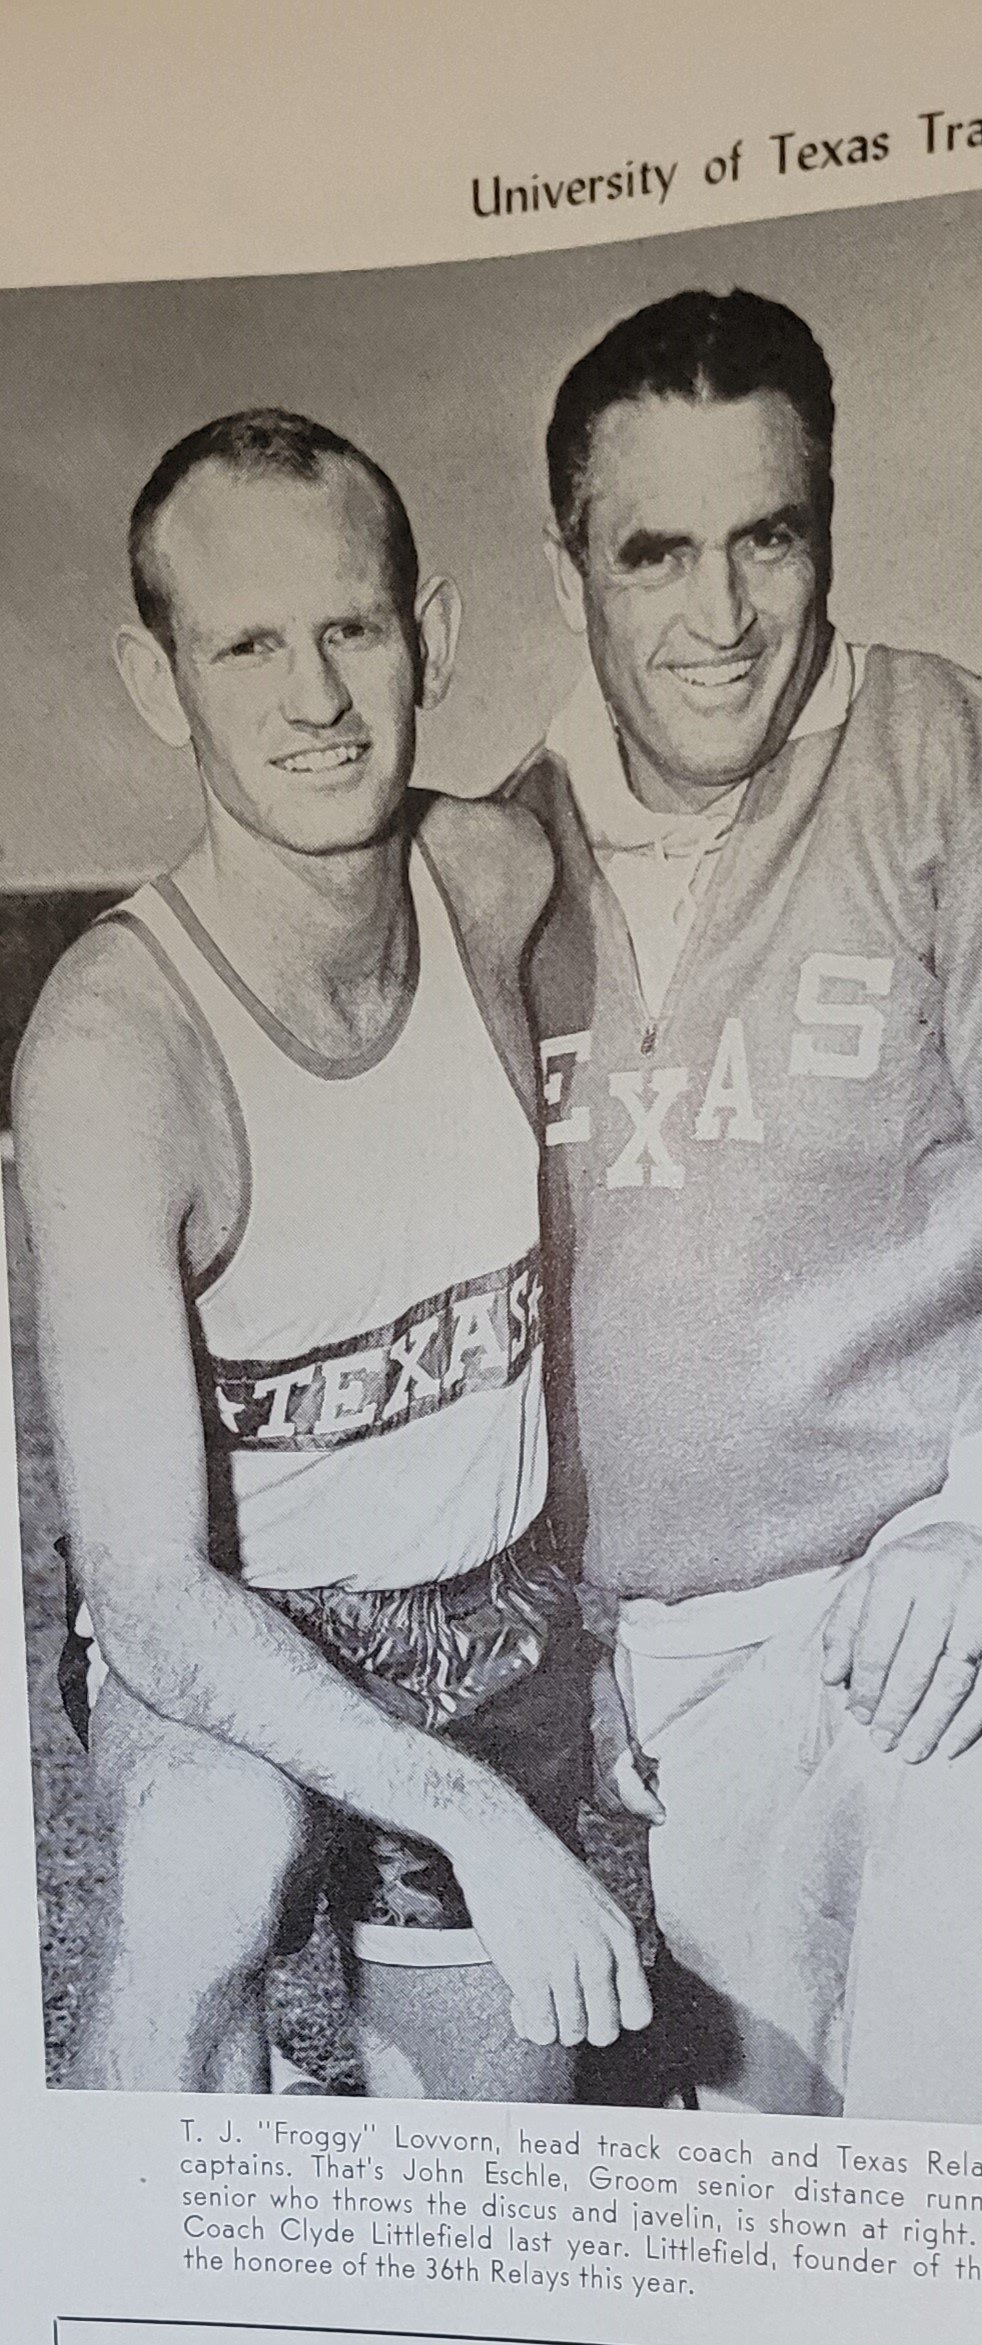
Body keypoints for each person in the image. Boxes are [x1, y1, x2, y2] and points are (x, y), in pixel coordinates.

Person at [507, 288, 982, 2123]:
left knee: (958, 2116)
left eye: (771, 535)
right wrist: (557, 1626)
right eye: (655, 551)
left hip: (919, 1601)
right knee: (740, 2194)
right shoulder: (490, 858)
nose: (722, 613)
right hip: (626, 1664)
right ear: (569, 559)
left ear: (829, 519)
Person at [16, 410, 652, 2095]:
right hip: (240, 1640)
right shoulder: (114, 1047)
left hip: (491, 1614)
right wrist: (473, 1815)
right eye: (246, 646)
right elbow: (149, 1592)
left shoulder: (494, 876)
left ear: (428, 636)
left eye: (350, 629)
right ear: (161, 683)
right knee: (207, 1862)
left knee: (479, 2245)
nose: (313, 699)